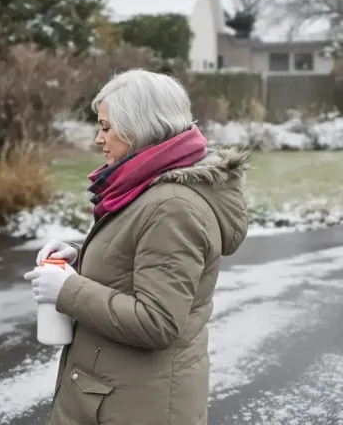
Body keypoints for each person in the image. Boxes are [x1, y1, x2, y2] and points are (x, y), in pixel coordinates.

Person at [24, 69, 249, 425]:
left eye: (106, 126)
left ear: (139, 127)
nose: (99, 138)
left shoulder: (172, 207)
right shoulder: (147, 188)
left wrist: (69, 290)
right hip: (113, 395)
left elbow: (157, 322)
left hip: (138, 407)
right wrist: (78, 258)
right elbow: (137, 263)